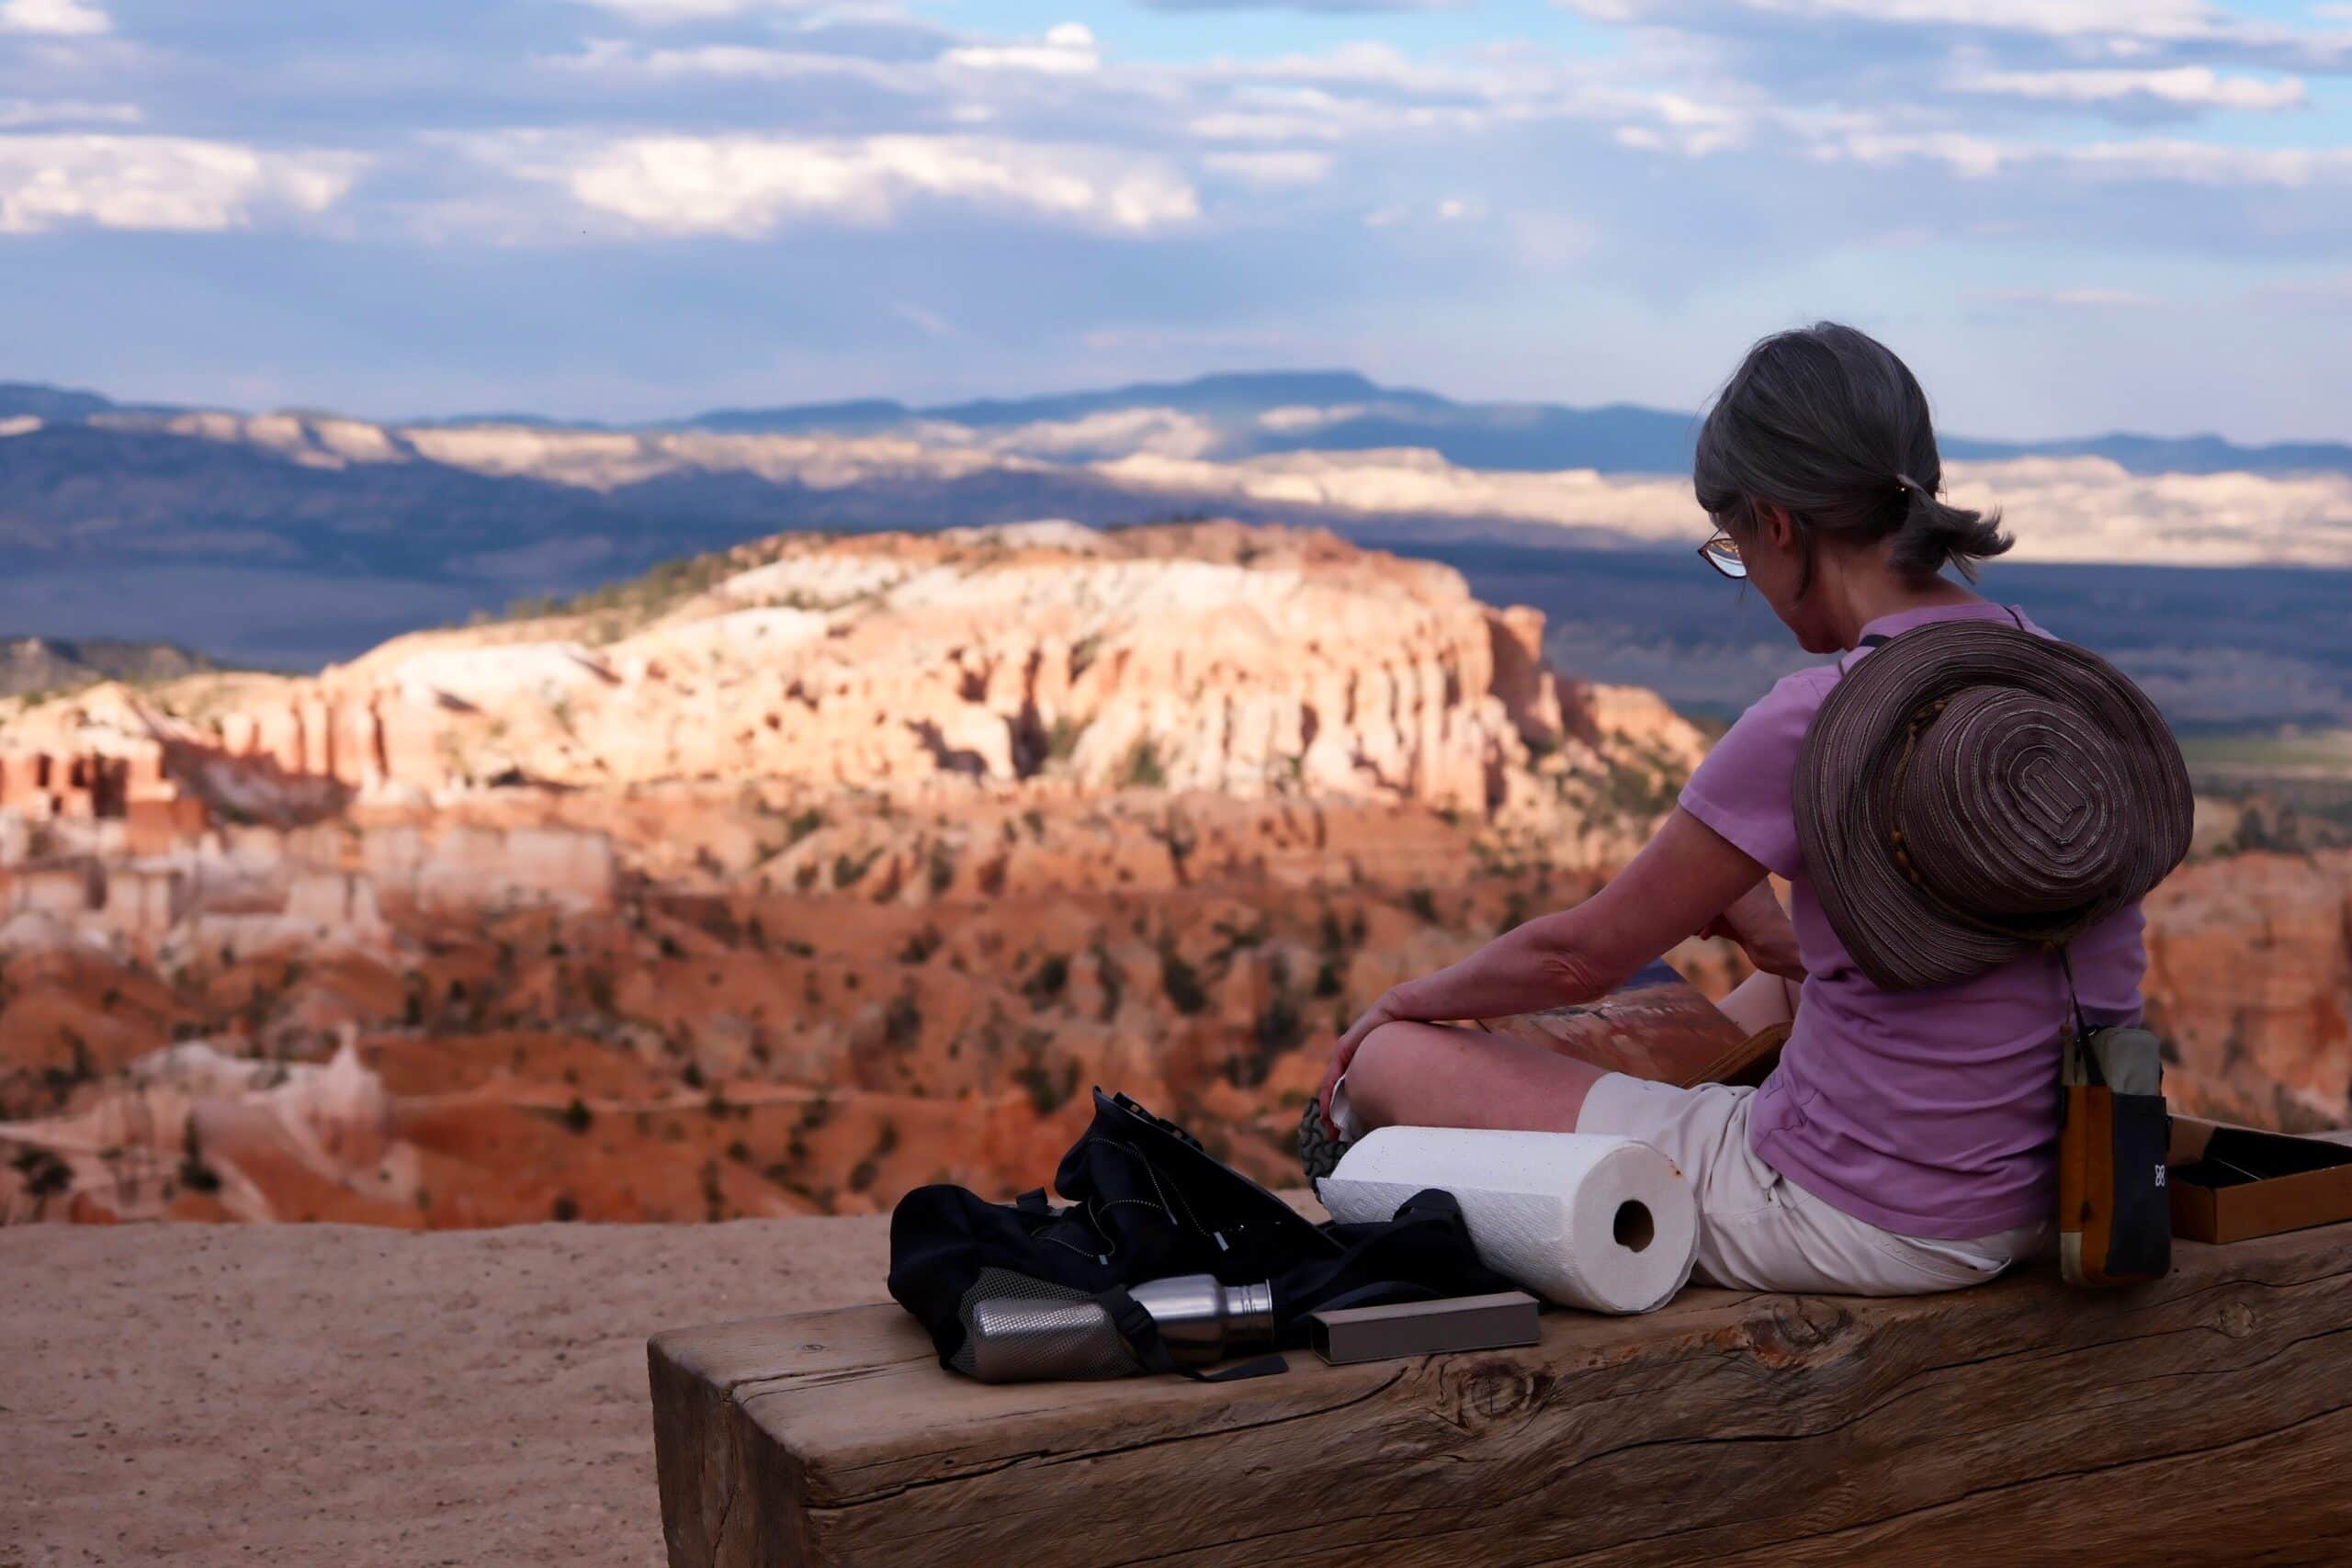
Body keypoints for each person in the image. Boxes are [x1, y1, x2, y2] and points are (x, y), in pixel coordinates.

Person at [1315, 321, 2191, 1297]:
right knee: (1773, 997)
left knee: (1389, 1064)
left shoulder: (1819, 717)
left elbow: (1576, 960)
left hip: (1858, 1216)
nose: (1749, 578)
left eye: (1733, 546)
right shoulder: (2066, 680)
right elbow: (1971, 960)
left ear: (1777, 524)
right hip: (2074, 1185)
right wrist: (1776, 939)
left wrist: (1401, 1004)